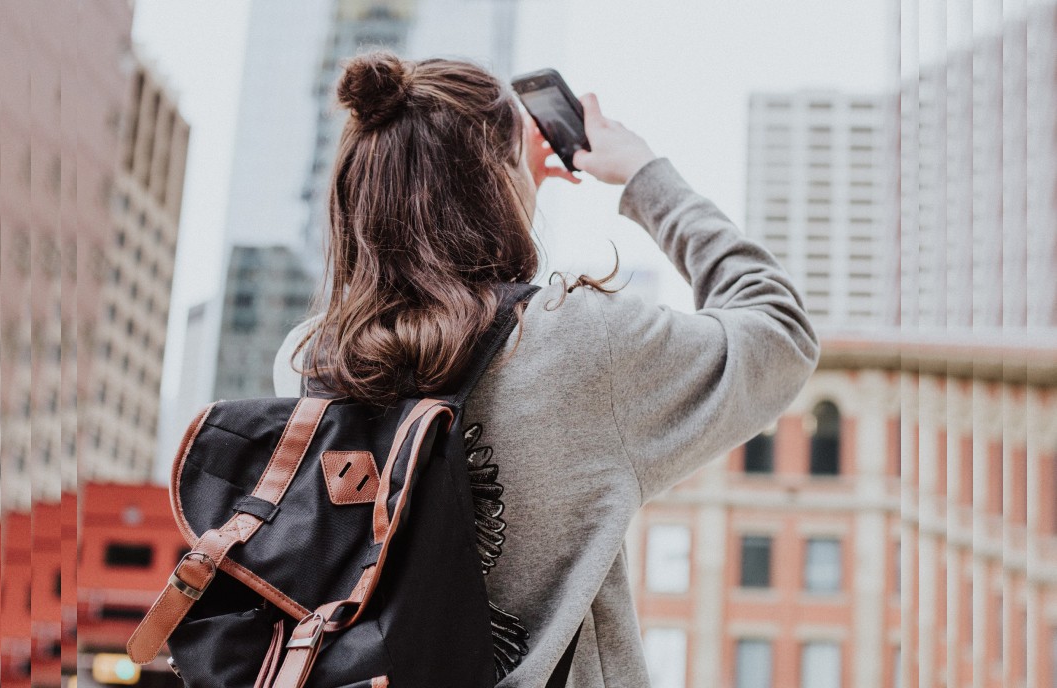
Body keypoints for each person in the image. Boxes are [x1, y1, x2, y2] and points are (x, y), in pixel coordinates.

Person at [274, 51, 819, 688]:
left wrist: (510, 171)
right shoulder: (582, 343)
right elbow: (779, 330)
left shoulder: (309, 361)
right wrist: (644, 175)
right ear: (496, 180)